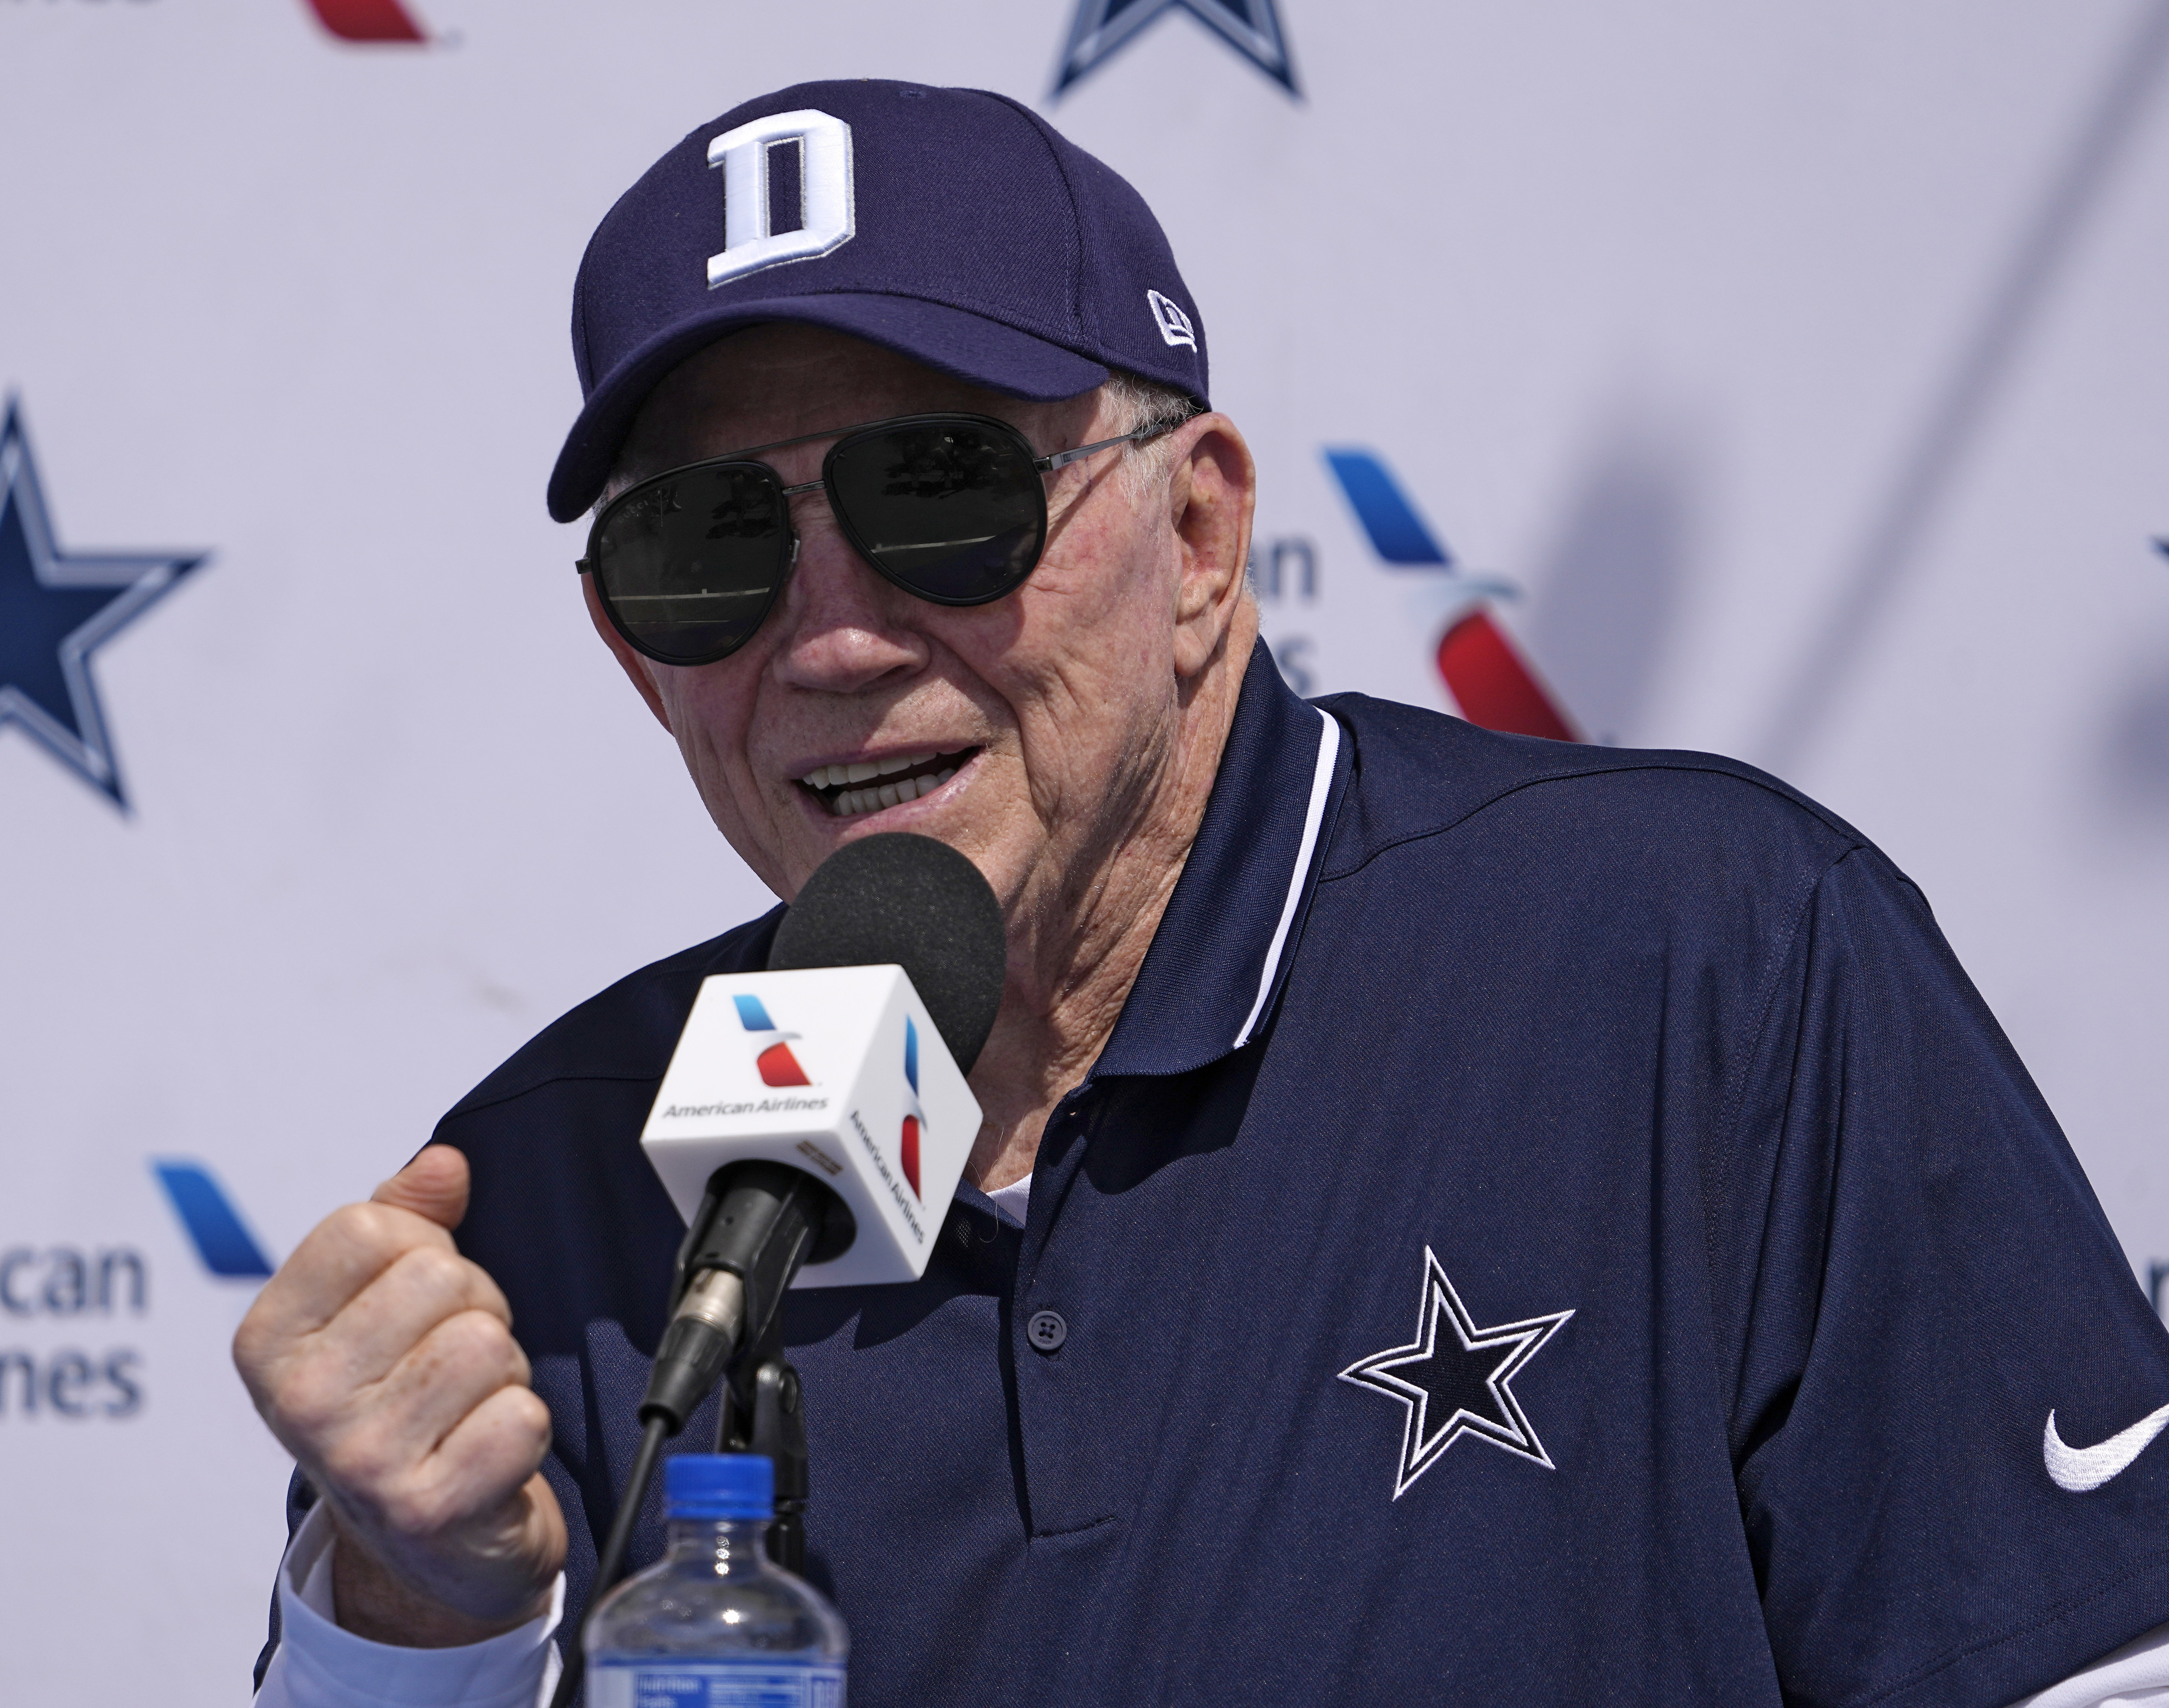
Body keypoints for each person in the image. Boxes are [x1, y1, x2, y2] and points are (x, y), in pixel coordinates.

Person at [233, 80, 2169, 1707]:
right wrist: (413, 1612)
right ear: (629, 651)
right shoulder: (549, 1193)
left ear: (1203, 534)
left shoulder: (1705, 962)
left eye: (940, 493)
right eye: (707, 544)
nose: (830, 638)